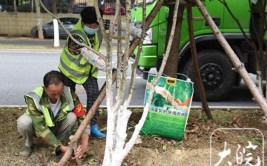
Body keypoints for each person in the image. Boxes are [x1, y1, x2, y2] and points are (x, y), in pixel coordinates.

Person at [17, 70, 89, 158]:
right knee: (23, 121)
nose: (57, 96)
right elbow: (41, 128)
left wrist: (85, 141)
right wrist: (61, 148)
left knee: (72, 117)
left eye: (60, 92)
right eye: (53, 94)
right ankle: (28, 144)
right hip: (37, 129)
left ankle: (59, 142)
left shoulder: (69, 94)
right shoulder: (35, 98)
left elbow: (82, 117)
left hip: (56, 125)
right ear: (45, 88)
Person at [58, 6, 105, 138]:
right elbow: (90, 55)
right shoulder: (76, 36)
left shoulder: (100, 24)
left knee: (94, 95)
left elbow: (118, 27)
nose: (94, 27)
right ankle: (72, 125)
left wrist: (135, 31)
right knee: (69, 98)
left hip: (88, 71)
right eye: (90, 24)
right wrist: (108, 67)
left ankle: (93, 126)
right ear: (83, 22)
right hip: (69, 71)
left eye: (96, 24)